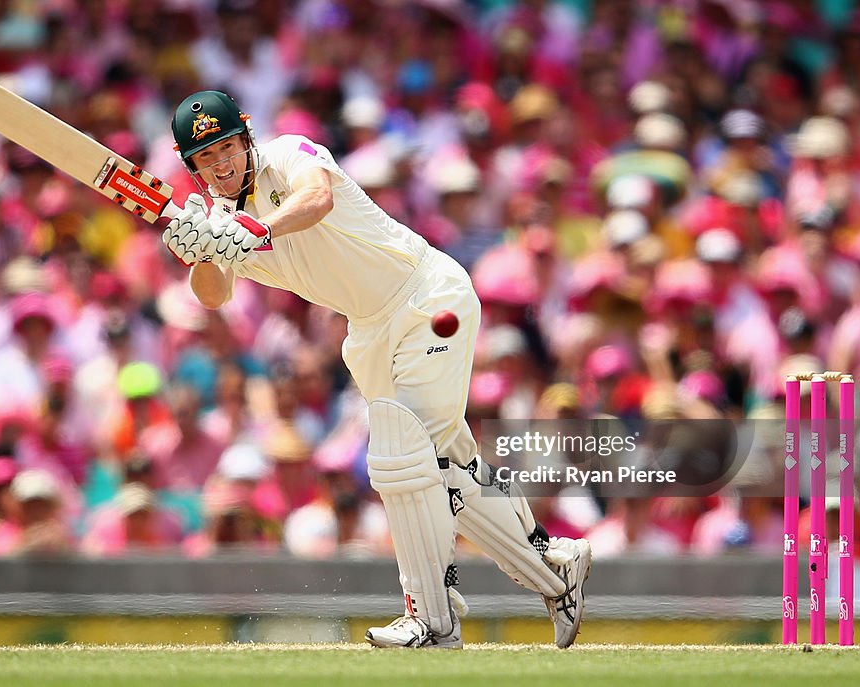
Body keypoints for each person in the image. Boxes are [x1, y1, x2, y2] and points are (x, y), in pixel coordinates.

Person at [160, 90, 592, 649]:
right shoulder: (222, 220)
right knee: (443, 467)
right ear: (192, 167)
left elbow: (317, 199)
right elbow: (214, 296)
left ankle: (433, 620)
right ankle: (554, 568)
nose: (220, 164)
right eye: (205, 158)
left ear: (245, 138)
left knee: (400, 458)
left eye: (226, 148)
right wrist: (200, 251)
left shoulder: (290, 155)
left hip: (425, 296)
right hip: (368, 330)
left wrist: (254, 231)